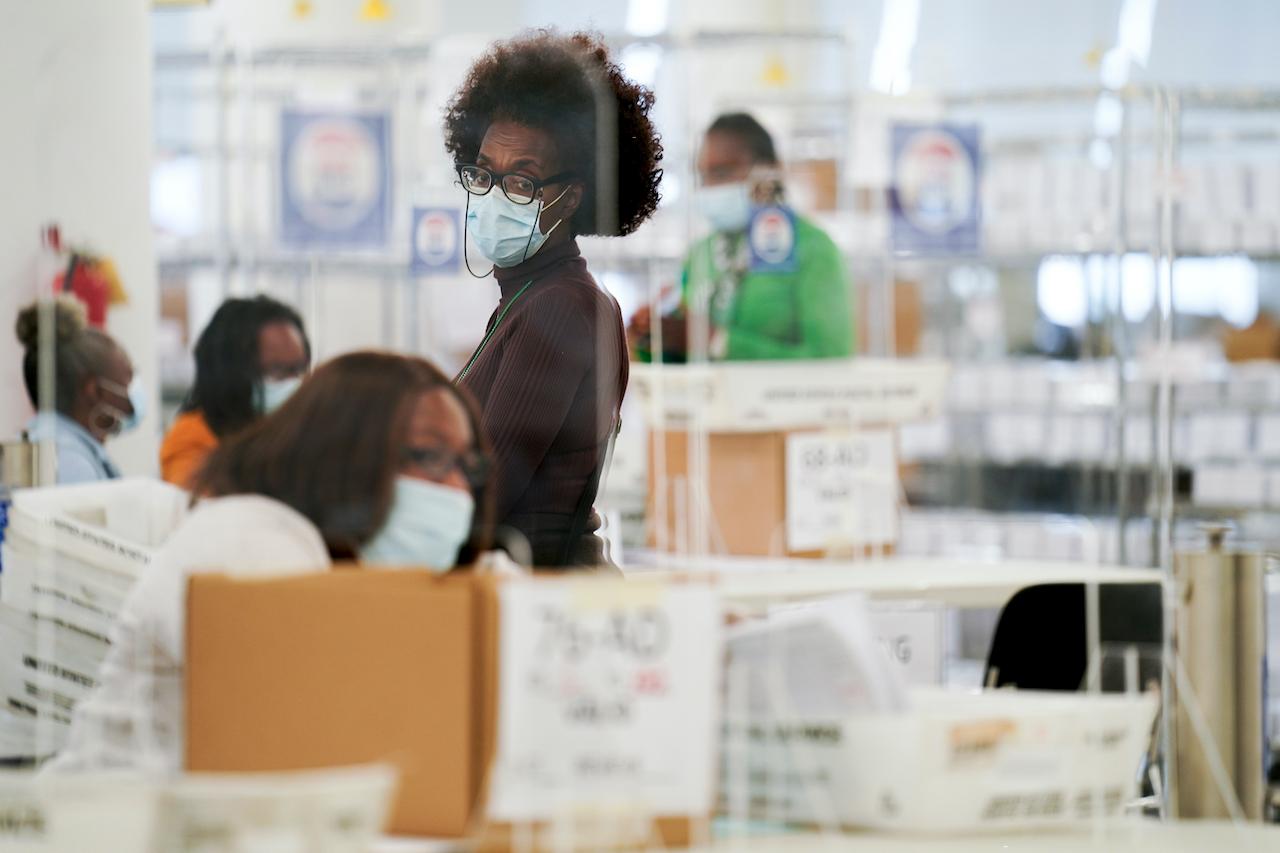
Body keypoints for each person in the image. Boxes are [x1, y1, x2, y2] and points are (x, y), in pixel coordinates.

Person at [45, 352, 493, 772]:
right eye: (429, 457)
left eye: (465, 466)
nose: (456, 491)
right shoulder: (250, 542)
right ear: (343, 452)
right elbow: (321, 727)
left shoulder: (338, 559)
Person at [443, 29, 663, 567]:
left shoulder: (562, 306)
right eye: (483, 175)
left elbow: (485, 489)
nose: (494, 197)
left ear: (572, 196)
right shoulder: (529, 297)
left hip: (541, 602)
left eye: (522, 182)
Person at [629, 113, 854, 362]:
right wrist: (652, 337)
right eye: (703, 176)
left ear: (770, 170)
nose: (710, 187)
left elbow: (832, 359)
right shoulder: (701, 253)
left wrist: (717, 341)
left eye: (722, 172)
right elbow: (684, 359)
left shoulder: (813, 249)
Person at [161, 295, 310, 489]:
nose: (294, 383)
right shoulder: (191, 437)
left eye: (299, 370)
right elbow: (203, 507)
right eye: (277, 370)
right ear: (230, 371)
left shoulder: (291, 430)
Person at [14, 297, 140, 484]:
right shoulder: (69, 463)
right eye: (127, 382)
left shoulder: (45, 444)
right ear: (95, 391)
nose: (134, 394)